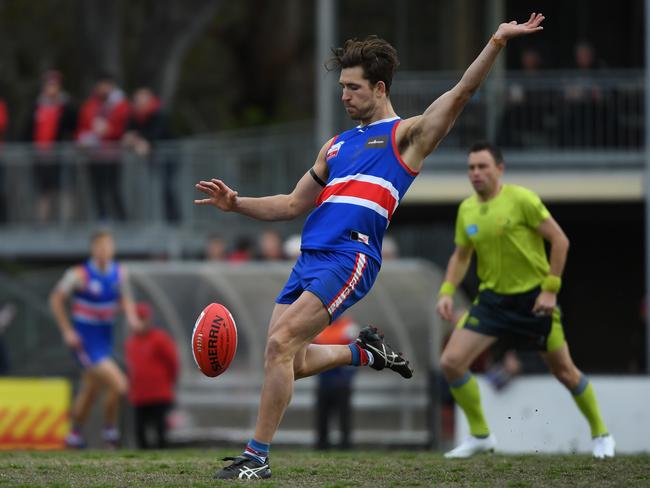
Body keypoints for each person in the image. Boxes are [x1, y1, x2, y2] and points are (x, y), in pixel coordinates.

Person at [195, 13, 545, 480]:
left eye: (353, 87)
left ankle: (256, 458)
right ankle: (364, 352)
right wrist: (237, 203)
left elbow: (460, 93)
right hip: (312, 257)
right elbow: (292, 204)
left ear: (380, 89)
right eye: (342, 86)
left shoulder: (407, 137)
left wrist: (497, 42)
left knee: (278, 345)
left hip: (351, 257)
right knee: (288, 360)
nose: (344, 95)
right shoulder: (335, 146)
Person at [436, 141, 614, 459]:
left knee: (565, 372)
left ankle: (602, 434)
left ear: (499, 169)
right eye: (471, 168)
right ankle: (480, 436)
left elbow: (560, 240)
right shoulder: (467, 209)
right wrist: (447, 290)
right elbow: (461, 254)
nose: (475, 173)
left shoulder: (522, 200)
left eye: (482, 166)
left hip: (534, 301)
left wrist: (550, 288)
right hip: (491, 301)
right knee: (450, 362)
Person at [49, 229, 141, 448]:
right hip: (85, 343)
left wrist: (132, 317)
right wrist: (67, 331)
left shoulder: (119, 273)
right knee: (119, 385)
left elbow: (125, 299)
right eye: (100, 246)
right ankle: (110, 431)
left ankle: (74, 434)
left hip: (104, 341)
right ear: (93, 249)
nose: (105, 250)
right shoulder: (79, 274)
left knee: (90, 390)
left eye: (108, 246)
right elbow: (56, 299)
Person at [23, 70, 77, 223]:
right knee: (43, 191)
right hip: (41, 156)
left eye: (54, 85)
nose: (51, 88)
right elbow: (28, 130)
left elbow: (73, 126)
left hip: (61, 155)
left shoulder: (66, 106)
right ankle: (42, 222)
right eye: (48, 85)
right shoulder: (36, 106)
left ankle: (66, 223)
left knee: (64, 189)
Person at [125, 302, 179, 449]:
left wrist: (169, 384)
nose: (140, 323)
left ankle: (161, 459)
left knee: (161, 432)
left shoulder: (160, 338)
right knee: (139, 432)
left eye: (143, 318)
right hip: (140, 396)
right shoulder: (131, 342)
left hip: (159, 395)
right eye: (138, 318)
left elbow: (173, 362)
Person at [77, 75, 131, 220]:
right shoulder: (90, 106)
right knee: (97, 189)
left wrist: (110, 131)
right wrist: (82, 139)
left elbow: (125, 127)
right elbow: (82, 127)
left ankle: (122, 220)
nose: (103, 89)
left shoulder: (120, 105)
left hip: (113, 154)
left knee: (113, 188)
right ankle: (102, 219)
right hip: (94, 154)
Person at [122, 87, 178, 222]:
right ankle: (152, 220)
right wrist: (137, 140)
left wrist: (141, 140)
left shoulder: (159, 114)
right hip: (152, 160)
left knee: (167, 188)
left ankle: (173, 220)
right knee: (150, 190)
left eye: (142, 101)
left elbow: (155, 135)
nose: (139, 105)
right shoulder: (134, 116)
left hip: (168, 159)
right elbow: (129, 134)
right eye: (137, 102)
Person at [312, 315, 359, 450]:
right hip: (324, 379)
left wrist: (348, 376)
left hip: (341, 380)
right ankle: (322, 444)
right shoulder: (320, 328)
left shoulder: (349, 327)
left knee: (344, 415)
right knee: (322, 416)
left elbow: (355, 353)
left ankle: (345, 445)